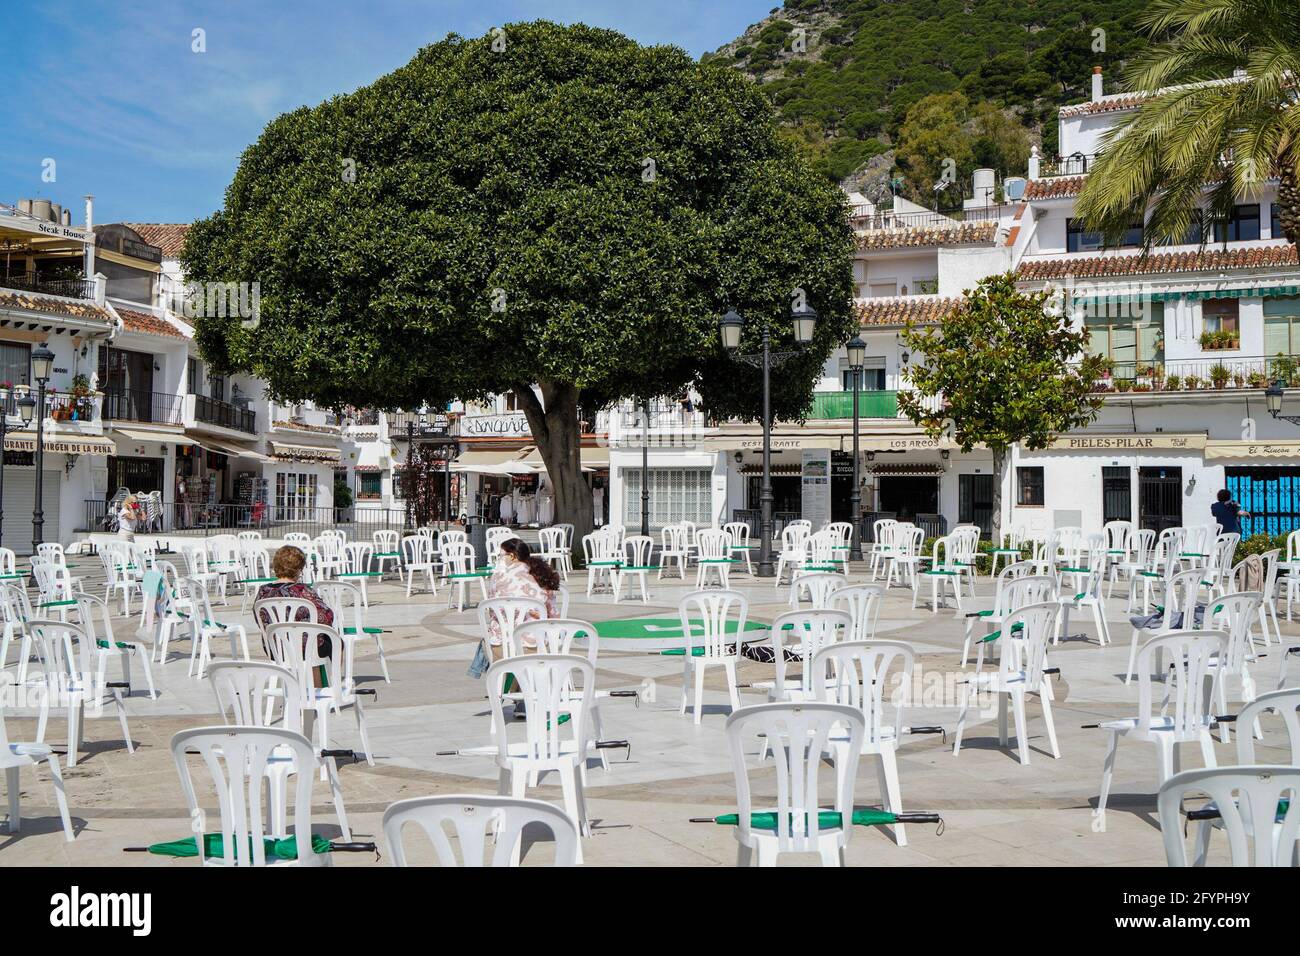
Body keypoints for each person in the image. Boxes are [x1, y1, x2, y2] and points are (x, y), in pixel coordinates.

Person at [467, 537, 561, 680]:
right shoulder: (542, 575)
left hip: (504, 648)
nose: (499, 559)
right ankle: (521, 691)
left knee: (488, 638)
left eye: (500, 556)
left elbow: (492, 611)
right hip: (539, 648)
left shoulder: (498, 577)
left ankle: (508, 689)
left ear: (511, 556)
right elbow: (554, 616)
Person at [256, 545, 334, 684]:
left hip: (276, 648)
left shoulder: (263, 591)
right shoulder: (303, 591)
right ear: (298, 569)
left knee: (311, 642)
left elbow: (259, 618)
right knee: (333, 641)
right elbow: (327, 616)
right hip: (305, 648)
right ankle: (323, 688)